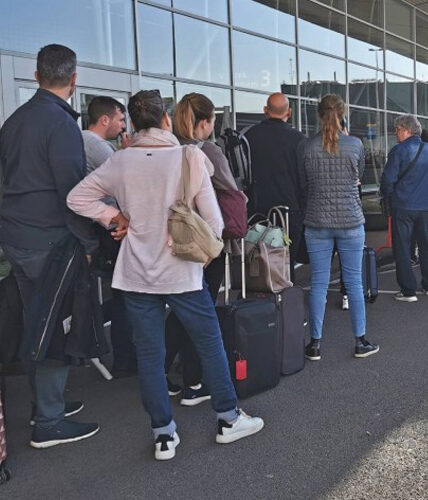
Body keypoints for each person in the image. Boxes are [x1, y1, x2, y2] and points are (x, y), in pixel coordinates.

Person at [67, 90, 263, 461]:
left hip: (137, 273)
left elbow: (76, 198)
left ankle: (163, 434)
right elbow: (215, 221)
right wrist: (205, 254)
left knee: (151, 356)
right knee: (208, 344)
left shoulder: (121, 161)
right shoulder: (190, 157)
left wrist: (114, 217)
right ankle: (227, 418)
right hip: (183, 273)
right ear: (166, 120)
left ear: (135, 124)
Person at [0, 44, 101, 448]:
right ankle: (49, 421)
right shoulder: (60, 126)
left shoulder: (14, 121)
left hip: (18, 239)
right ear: (74, 80)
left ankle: (46, 404)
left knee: (34, 320)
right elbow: (73, 193)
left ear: (36, 74)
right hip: (50, 242)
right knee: (52, 327)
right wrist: (89, 241)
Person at [166, 92, 245, 406]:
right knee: (201, 311)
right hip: (203, 240)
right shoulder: (208, 150)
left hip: (173, 237)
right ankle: (195, 383)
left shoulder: (168, 148)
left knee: (181, 307)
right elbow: (231, 189)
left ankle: (167, 371)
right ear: (204, 123)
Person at [299, 94, 378, 360]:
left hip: (317, 220)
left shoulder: (307, 147)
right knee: (354, 282)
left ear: (318, 115)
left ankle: (315, 345)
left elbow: (305, 184)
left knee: (318, 283)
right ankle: (360, 341)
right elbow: (358, 176)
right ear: (343, 114)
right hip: (350, 220)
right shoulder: (355, 144)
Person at [81, 96, 138, 377]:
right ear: (104, 119)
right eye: (119, 119)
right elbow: (124, 181)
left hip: (99, 229)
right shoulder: (96, 146)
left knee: (120, 294)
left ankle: (122, 354)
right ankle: (126, 359)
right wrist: (126, 154)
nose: (123, 125)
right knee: (126, 295)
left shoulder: (86, 143)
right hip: (111, 230)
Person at [380, 115, 428, 302]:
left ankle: (408, 290)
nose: (395, 133)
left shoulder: (398, 150)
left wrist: (387, 195)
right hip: (425, 207)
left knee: (402, 247)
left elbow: (388, 180)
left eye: (397, 129)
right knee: (426, 245)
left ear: (406, 129)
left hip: (403, 205)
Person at [245, 93, 306, 278]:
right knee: (287, 263)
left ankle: (261, 301)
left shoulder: (249, 136)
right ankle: (287, 301)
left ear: (265, 111)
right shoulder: (299, 140)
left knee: (259, 263)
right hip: (290, 211)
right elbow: (304, 178)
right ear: (289, 112)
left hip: (257, 212)